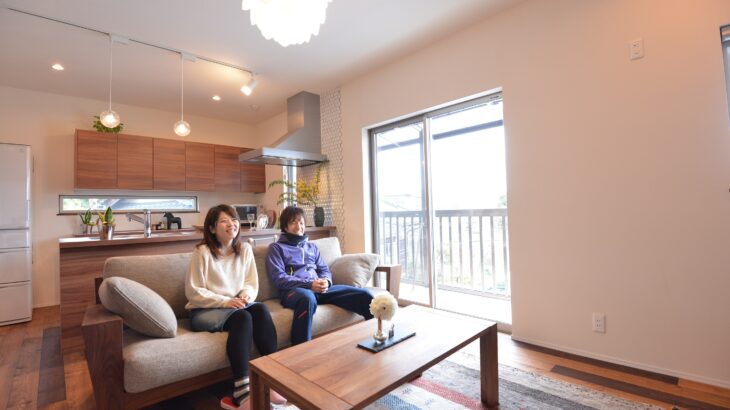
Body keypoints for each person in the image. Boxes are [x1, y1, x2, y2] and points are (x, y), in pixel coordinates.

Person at [186, 205, 286, 410]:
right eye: (224, 221)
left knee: (260, 310)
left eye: (234, 220)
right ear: (212, 228)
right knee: (243, 318)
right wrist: (225, 301)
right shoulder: (202, 252)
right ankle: (242, 390)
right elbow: (194, 291)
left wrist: (245, 296)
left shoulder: (245, 249)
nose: (231, 224)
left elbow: (251, 283)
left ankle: (272, 378)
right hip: (203, 310)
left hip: (233, 306)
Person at [266, 205, 374, 345]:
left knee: (364, 295)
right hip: (294, 291)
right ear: (285, 227)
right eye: (293, 222)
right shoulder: (276, 248)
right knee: (307, 299)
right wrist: (309, 284)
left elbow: (324, 269)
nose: (298, 226)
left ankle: (378, 334)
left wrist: (326, 282)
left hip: (319, 288)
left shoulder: (311, 247)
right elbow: (279, 278)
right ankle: (301, 349)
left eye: (301, 222)